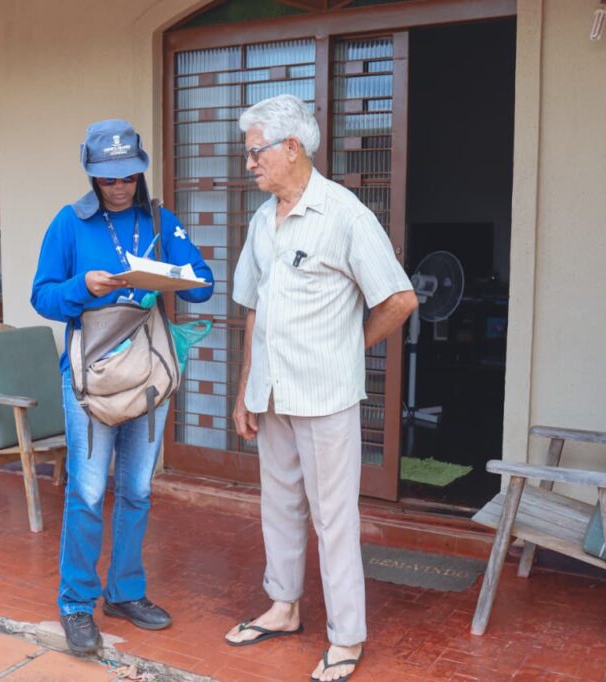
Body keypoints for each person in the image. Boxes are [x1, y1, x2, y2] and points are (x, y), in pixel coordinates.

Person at [223, 95, 418, 682]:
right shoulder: (263, 219)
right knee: (278, 506)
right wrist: (244, 390)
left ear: (292, 148)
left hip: (326, 395)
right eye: (247, 152)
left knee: (334, 518)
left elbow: (400, 299)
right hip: (273, 393)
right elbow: (254, 308)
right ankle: (283, 607)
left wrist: (349, 347)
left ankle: (347, 636)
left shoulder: (345, 215)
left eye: (256, 151)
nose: (249, 164)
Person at [31, 119, 214, 655]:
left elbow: (202, 283)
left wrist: (169, 275)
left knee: (136, 489)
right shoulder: (69, 224)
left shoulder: (159, 219)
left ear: (140, 171)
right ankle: (76, 604)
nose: (119, 186)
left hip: (148, 372)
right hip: (89, 377)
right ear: (91, 174)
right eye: (108, 178)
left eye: (128, 176)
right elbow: (42, 297)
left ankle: (126, 593)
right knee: (87, 493)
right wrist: (81, 289)